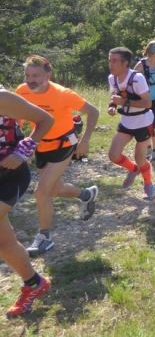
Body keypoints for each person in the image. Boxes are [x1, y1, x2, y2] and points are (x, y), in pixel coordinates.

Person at [15, 56, 99, 256]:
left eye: (36, 75)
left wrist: (85, 140)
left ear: (48, 75)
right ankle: (86, 195)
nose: (31, 79)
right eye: (27, 75)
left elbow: (93, 112)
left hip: (64, 144)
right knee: (54, 189)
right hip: (41, 144)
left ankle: (44, 237)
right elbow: (17, 118)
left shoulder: (63, 94)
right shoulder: (22, 91)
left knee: (41, 192)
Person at [0, 90, 54, 318]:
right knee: (4, 244)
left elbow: (46, 120)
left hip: (9, 175)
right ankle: (34, 283)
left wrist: (23, 151)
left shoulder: (2, 98)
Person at [106, 47, 155, 201]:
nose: (111, 64)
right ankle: (133, 169)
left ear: (125, 63)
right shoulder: (112, 78)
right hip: (126, 121)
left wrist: (123, 102)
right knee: (113, 155)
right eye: (110, 60)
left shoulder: (137, 78)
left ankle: (148, 184)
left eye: (114, 61)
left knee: (140, 157)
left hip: (143, 122)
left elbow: (148, 103)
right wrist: (112, 106)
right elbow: (114, 96)